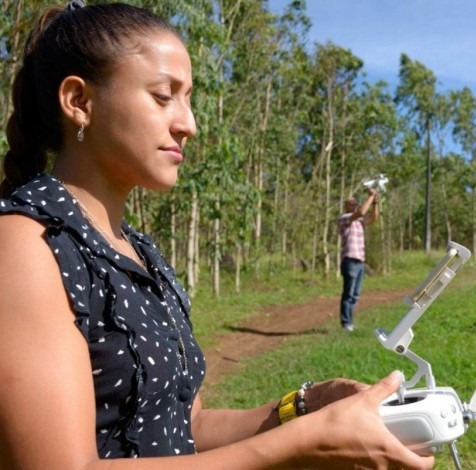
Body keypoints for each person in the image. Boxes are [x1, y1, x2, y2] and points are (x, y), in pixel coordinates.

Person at [0, 2, 433, 468]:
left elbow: (185, 428)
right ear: (79, 102)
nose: (189, 124)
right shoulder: (26, 246)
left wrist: (308, 406)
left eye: (188, 99)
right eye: (164, 96)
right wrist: (304, 443)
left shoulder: (139, 252)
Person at [337, 189, 379, 331]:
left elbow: (373, 218)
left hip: (360, 260)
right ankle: (346, 323)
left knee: (355, 294)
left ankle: (350, 321)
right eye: (351, 203)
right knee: (348, 293)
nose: (354, 204)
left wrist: (375, 202)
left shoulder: (359, 222)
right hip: (349, 260)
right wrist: (371, 196)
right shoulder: (344, 218)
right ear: (346, 206)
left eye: (355, 203)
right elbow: (361, 212)